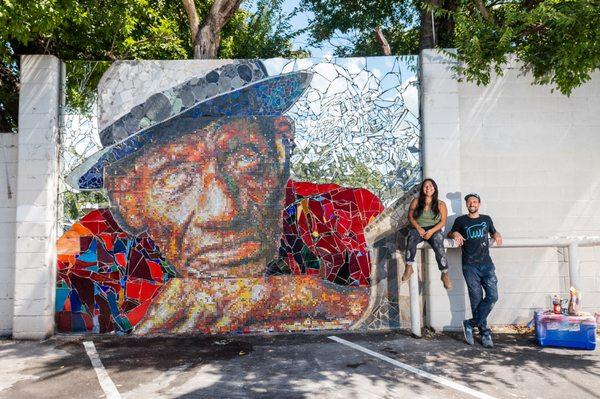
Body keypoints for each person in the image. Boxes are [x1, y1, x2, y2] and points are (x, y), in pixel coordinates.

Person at [57, 60, 381, 334]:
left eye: (243, 157)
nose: (223, 211)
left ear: (279, 150)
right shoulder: (91, 252)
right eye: (174, 177)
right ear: (128, 197)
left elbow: (410, 302)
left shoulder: (341, 215)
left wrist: (321, 300)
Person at [448, 193, 503, 348]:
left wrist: (497, 234)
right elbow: (450, 233)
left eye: (474, 201)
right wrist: (455, 233)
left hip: (487, 265)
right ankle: (485, 332)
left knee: (493, 296)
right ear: (466, 205)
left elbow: (493, 232)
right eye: (469, 201)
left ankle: (469, 323)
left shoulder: (486, 219)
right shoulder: (460, 220)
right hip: (469, 266)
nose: (472, 203)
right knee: (476, 299)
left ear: (479, 204)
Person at [402, 178, 452, 290]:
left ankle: (444, 273)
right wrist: (419, 228)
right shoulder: (416, 201)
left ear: (434, 188)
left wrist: (432, 231)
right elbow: (410, 217)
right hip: (418, 228)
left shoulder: (440, 204)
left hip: (434, 229)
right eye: (425, 186)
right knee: (411, 237)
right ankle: (409, 267)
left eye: (430, 186)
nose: (428, 188)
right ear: (422, 189)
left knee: (438, 241)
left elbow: (443, 221)